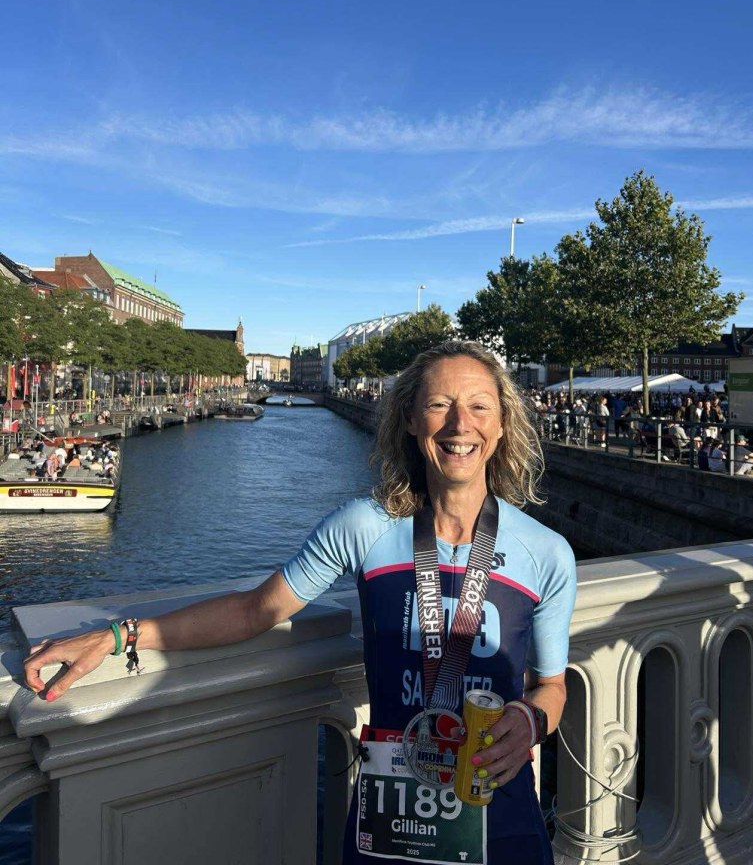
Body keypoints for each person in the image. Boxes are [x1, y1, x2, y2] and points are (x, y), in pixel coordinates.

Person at [24, 339, 576, 865]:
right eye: (439, 404)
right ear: (410, 419)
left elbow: (551, 687)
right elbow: (254, 611)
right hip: (393, 819)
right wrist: (119, 635)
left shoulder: (547, 554)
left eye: (479, 406)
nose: (460, 424)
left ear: (502, 424)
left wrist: (530, 719)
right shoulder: (365, 526)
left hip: (498, 808)